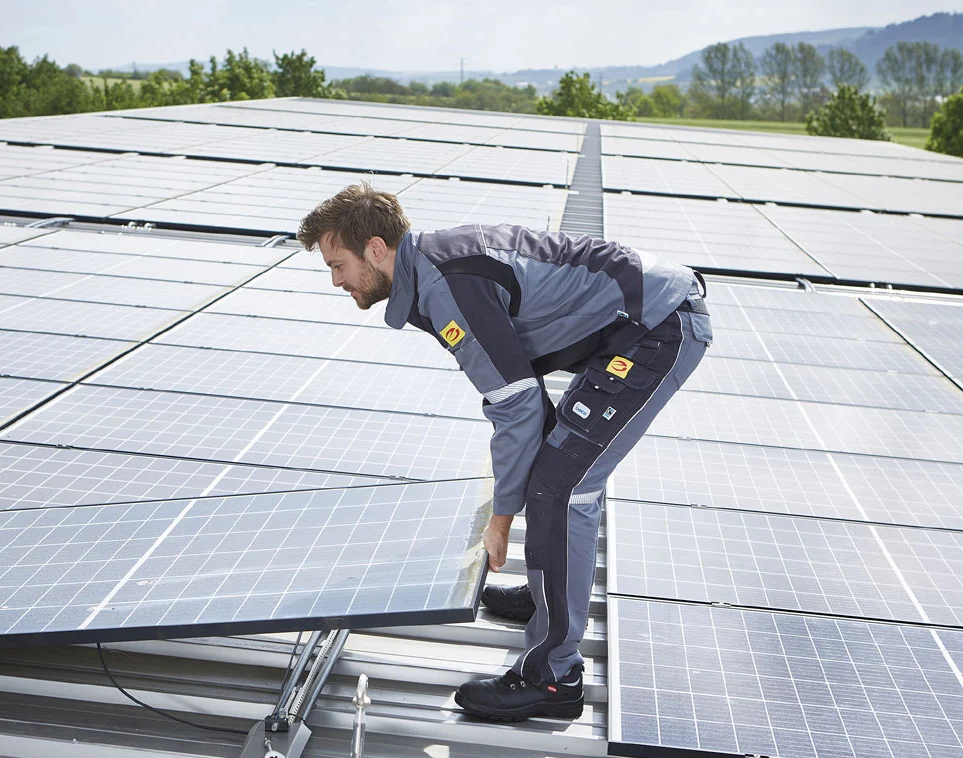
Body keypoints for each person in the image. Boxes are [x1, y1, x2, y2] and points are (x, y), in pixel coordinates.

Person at [298, 184, 711, 723]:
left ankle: (554, 678)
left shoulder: (446, 285)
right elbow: (522, 395)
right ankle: (548, 590)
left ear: (376, 250)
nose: (335, 281)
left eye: (337, 265)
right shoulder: (433, 270)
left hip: (657, 327)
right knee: (552, 469)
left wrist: (500, 521)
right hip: (629, 326)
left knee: (564, 487)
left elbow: (514, 405)